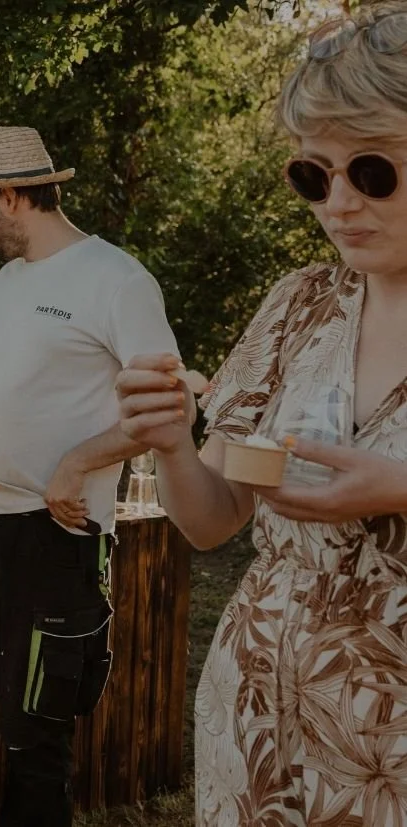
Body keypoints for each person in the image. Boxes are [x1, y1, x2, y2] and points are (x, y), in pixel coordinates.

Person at [118, 6, 407, 823]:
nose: (339, 202)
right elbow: (213, 522)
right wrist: (172, 443)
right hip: (252, 720)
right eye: (313, 175)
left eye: (372, 170)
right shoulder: (297, 306)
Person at [0, 126, 181, 827]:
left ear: (10, 195)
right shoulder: (7, 281)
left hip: (53, 536)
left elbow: (167, 406)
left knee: (33, 734)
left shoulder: (116, 279)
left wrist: (76, 461)